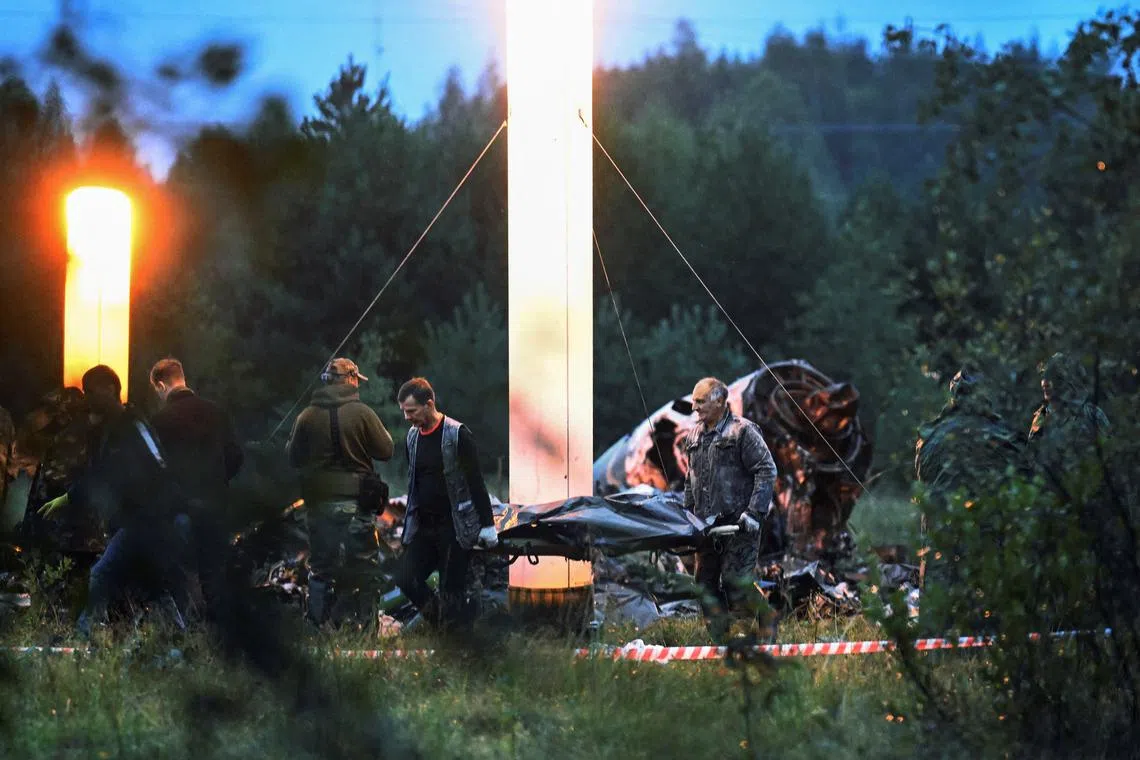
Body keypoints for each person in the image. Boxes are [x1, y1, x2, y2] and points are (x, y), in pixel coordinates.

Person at [38, 365, 188, 638]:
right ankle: (182, 639)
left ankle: (81, 637)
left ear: (110, 389)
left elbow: (153, 466)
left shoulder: (132, 425)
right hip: (140, 520)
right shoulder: (114, 429)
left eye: (91, 391)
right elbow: (106, 473)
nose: (88, 398)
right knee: (153, 586)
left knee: (101, 575)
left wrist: (69, 497)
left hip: (146, 520)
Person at [286, 357, 393, 626]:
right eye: (357, 379)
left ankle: (317, 631)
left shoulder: (307, 416)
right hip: (357, 506)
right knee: (365, 568)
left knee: (321, 569)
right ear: (350, 379)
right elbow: (386, 450)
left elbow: (293, 457)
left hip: (320, 506)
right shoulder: (362, 413)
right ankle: (367, 630)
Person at [395, 377, 498, 630]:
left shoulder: (457, 434)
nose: (407, 417)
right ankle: (445, 624)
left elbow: (475, 481)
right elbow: (413, 484)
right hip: (425, 527)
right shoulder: (412, 438)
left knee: (452, 590)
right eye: (404, 412)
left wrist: (487, 524)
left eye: (411, 411)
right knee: (406, 579)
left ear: (429, 404)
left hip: (455, 527)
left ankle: (453, 636)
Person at [683, 377, 777, 641]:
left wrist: (755, 512)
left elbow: (766, 470)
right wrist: (687, 516)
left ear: (720, 402)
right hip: (706, 527)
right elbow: (690, 479)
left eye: (700, 401)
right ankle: (721, 643)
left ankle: (766, 624)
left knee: (736, 584)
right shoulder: (693, 435)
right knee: (705, 587)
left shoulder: (743, 431)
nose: (694, 407)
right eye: (694, 401)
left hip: (740, 525)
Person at [149, 357, 244, 619]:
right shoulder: (216, 412)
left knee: (182, 572)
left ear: (160, 385)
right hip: (216, 508)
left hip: (180, 511)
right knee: (214, 573)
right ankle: (218, 635)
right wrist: (218, 482)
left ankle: (189, 631)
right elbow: (236, 456)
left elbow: (153, 469)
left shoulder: (160, 420)